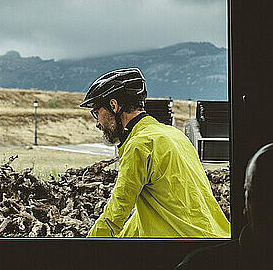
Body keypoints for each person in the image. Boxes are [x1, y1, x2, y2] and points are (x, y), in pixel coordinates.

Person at [80, 68, 230, 238]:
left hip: (183, 251)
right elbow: (144, 217)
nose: (97, 123)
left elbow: (115, 214)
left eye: (96, 113)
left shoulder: (139, 145)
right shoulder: (174, 135)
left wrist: (85, 250)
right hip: (213, 241)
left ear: (114, 106)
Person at [175, 142, 273, 269]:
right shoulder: (201, 264)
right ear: (245, 207)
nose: (270, 211)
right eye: (260, 197)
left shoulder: (204, 263)